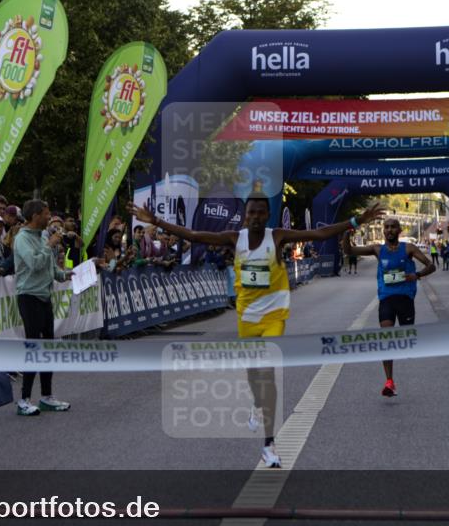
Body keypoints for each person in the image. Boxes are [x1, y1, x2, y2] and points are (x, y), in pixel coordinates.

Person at [130, 194, 386, 468]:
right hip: (247, 318)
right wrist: (156, 220)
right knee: (255, 376)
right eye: (251, 212)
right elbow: (194, 235)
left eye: (260, 213)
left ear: (267, 216)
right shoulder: (234, 238)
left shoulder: (276, 236)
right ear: (245, 216)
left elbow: (318, 232)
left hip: (274, 317)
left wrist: (355, 221)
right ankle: (256, 404)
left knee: (268, 374)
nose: (255, 217)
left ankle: (269, 445)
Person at [349, 217, 437, 397]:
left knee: (406, 340)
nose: (389, 230)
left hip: (405, 298)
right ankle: (389, 381)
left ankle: (397, 348)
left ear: (399, 230)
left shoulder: (409, 248)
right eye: (386, 227)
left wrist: (417, 275)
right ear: (383, 231)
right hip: (386, 299)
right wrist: (346, 233)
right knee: (386, 338)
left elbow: (431, 266)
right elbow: (349, 250)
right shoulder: (377, 249)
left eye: (392, 227)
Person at [14, 200, 72, 416]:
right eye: (46, 214)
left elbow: (49, 269)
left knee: (48, 347)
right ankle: (24, 399)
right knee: (34, 346)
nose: (50, 218)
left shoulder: (43, 236)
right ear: (35, 215)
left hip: (45, 297)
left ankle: (47, 396)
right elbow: (35, 263)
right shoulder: (22, 239)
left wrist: (66, 275)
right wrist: (50, 245)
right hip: (28, 297)